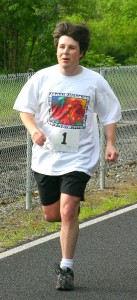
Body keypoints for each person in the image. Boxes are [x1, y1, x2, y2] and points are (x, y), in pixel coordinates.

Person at [13, 21, 121, 291]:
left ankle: (66, 269)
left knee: (68, 208)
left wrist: (110, 143)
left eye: (71, 48)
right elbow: (24, 109)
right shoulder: (42, 77)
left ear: (81, 52)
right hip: (47, 156)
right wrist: (34, 129)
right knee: (52, 215)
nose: (65, 52)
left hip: (80, 156)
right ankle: (69, 214)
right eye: (61, 46)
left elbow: (109, 113)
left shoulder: (94, 81)